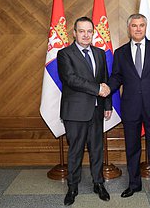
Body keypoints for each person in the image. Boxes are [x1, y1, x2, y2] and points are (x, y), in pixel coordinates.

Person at [108, 14, 150, 203]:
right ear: (129, 28)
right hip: (130, 108)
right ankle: (134, 184)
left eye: (141, 25)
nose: (138, 29)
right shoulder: (120, 53)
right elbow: (116, 77)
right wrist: (106, 88)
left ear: (146, 27)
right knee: (132, 148)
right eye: (134, 26)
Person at [57, 16, 112, 206]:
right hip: (75, 112)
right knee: (76, 151)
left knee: (97, 150)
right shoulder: (64, 54)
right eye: (82, 31)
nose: (86, 35)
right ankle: (73, 187)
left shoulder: (100, 53)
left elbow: (104, 79)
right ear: (74, 33)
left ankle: (98, 183)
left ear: (93, 32)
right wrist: (97, 89)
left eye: (89, 31)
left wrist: (107, 105)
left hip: (96, 112)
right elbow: (70, 79)